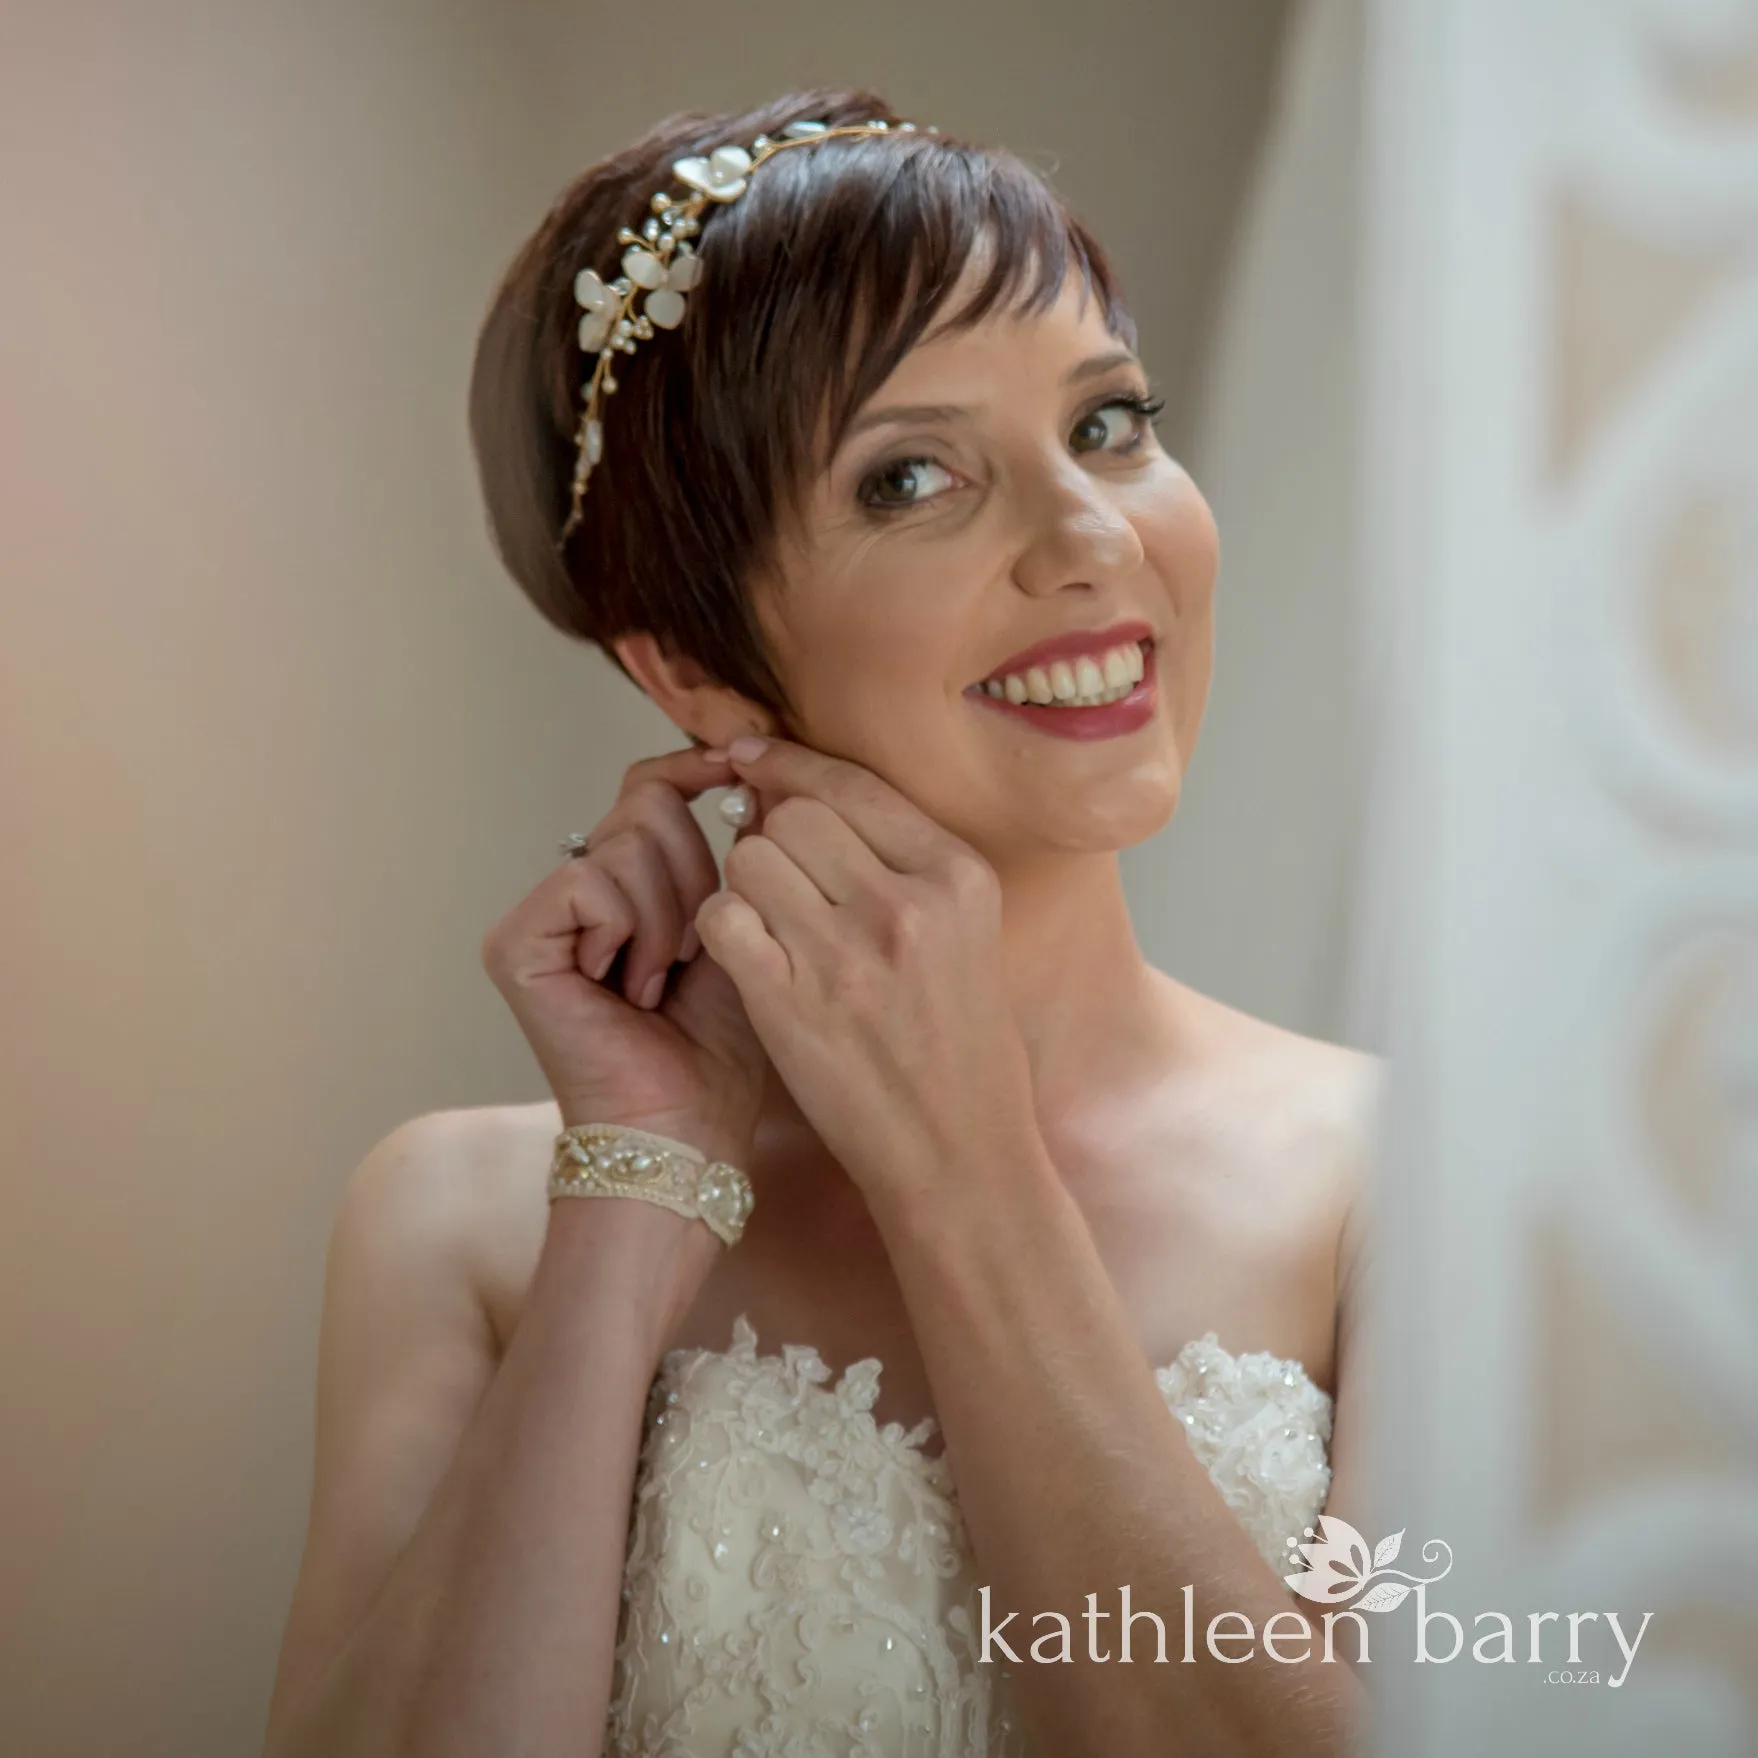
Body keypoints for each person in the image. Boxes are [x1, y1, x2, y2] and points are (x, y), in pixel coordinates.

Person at [261, 87, 1381, 1758]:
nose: (1090, 542)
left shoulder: (1406, 1182)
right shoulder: (455, 1220)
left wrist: (963, 1170)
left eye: (1108, 423)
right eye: (913, 475)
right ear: (688, 670)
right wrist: (634, 1188)